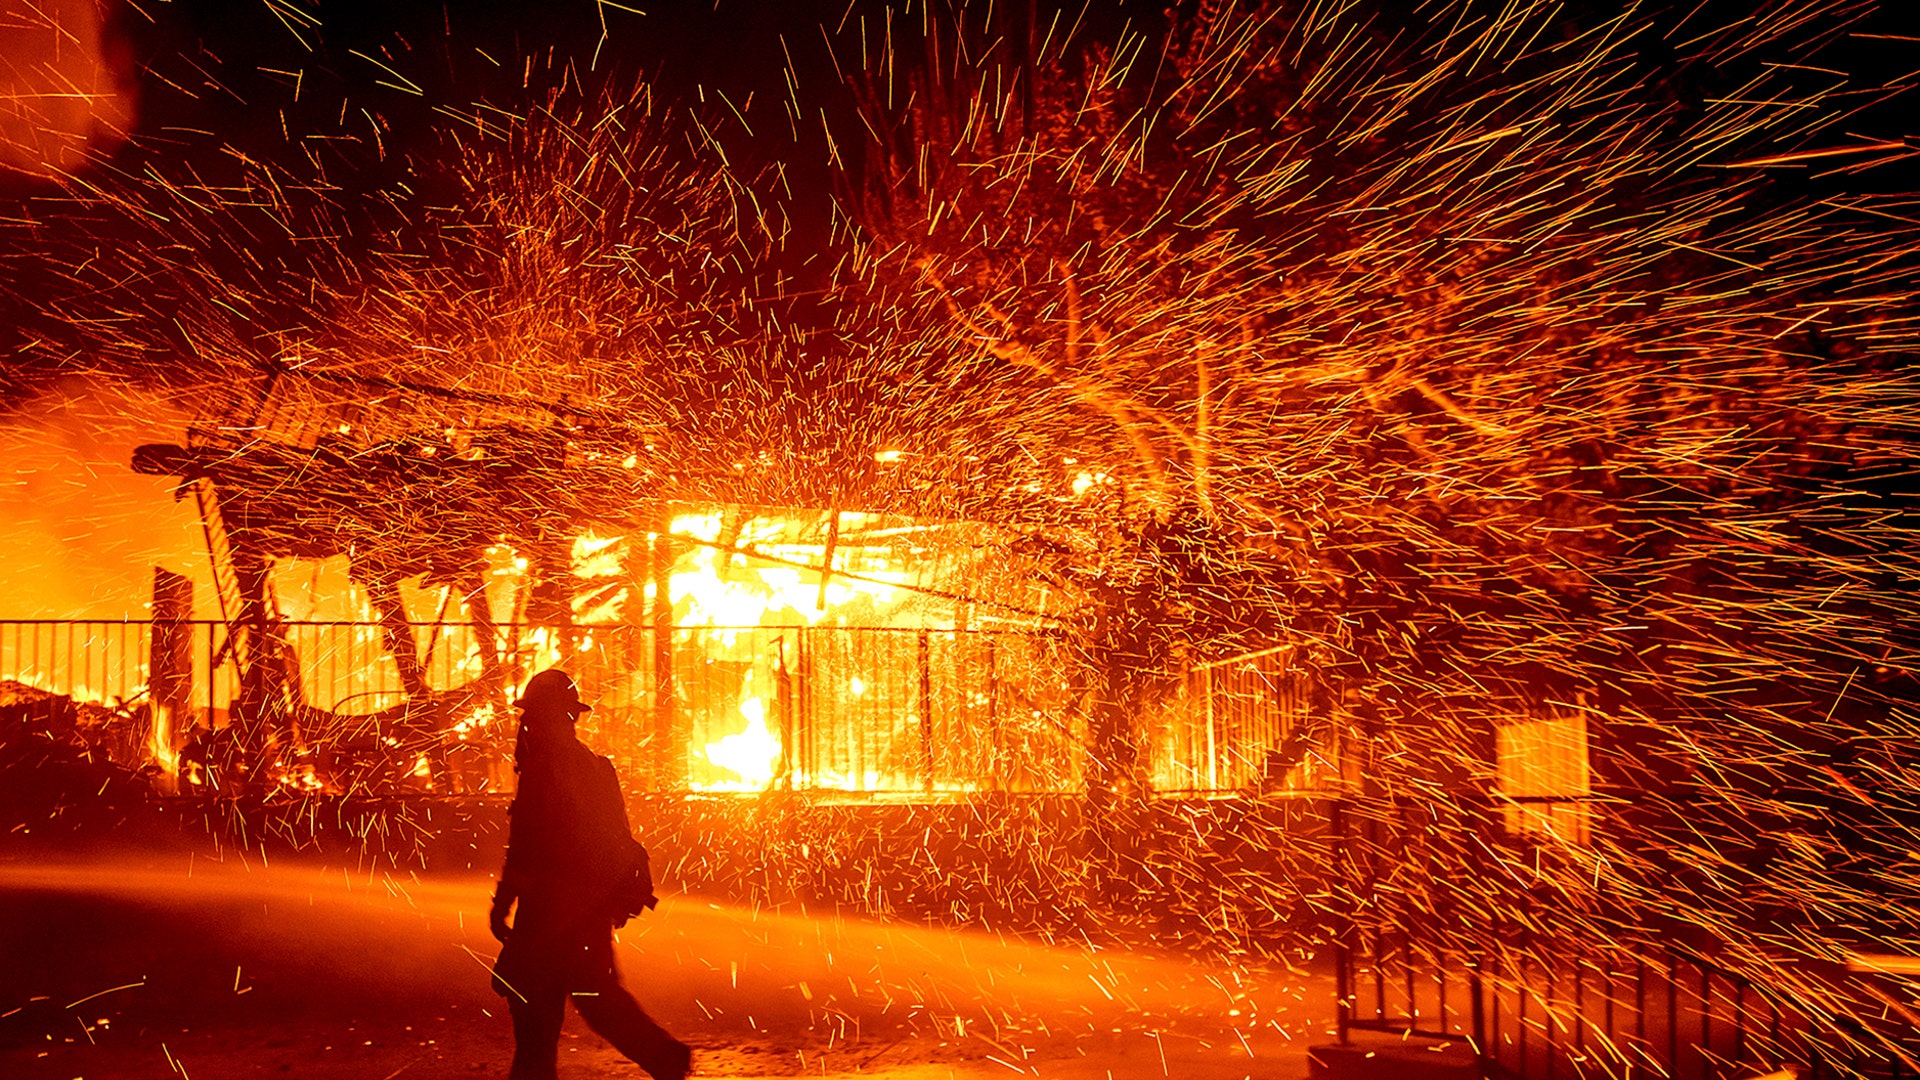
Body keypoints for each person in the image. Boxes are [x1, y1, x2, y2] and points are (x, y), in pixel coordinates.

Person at [489, 669, 692, 1080]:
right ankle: (665, 1057)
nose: (529, 724)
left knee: (536, 1016)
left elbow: (527, 843)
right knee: (596, 999)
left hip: (548, 915)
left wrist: (503, 902)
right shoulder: (595, 766)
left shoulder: (544, 768)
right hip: (586, 912)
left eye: (535, 715)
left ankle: (664, 1058)